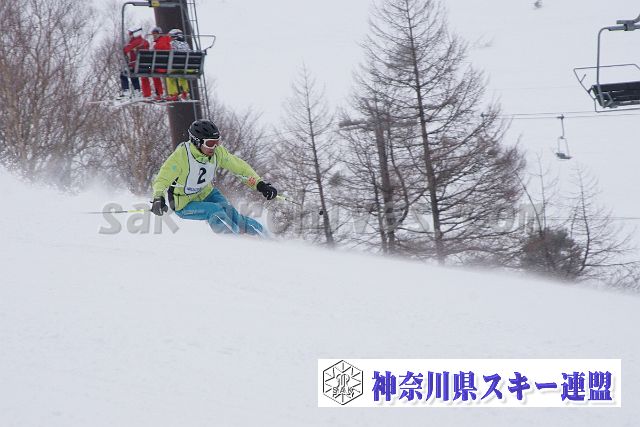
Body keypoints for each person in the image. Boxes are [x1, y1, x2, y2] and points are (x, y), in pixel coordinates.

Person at [150, 119, 278, 236]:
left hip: (206, 193)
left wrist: (260, 184)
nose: (215, 147)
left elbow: (239, 167)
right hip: (183, 204)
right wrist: (158, 198)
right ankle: (234, 242)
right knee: (215, 211)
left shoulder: (218, 153)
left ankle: (267, 238)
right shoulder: (181, 157)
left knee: (233, 216)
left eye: (217, 142)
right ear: (197, 142)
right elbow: (162, 179)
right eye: (210, 143)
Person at [119, 27, 152, 99]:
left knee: (123, 73)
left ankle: (126, 91)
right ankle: (137, 91)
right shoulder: (145, 42)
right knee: (132, 71)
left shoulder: (135, 42)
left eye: (130, 34)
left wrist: (126, 46)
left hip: (138, 66)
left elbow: (125, 50)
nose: (130, 35)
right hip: (147, 67)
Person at [167, 29, 191, 100]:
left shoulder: (172, 44)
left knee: (169, 77)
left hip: (175, 67)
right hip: (187, 68)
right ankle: (185, 93)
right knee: (182, 76)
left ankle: (173, 94)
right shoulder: (186, 44)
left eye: (171, 36)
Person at [149, 26, 172, 100]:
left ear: (159, 33)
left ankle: (159, 94)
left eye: (155, 34)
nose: (154, 36)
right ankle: (169, 94)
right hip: (168, 66)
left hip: (160, 67)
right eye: (153, 34)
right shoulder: (167, 41)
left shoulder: (159, 44)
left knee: (152, 72)